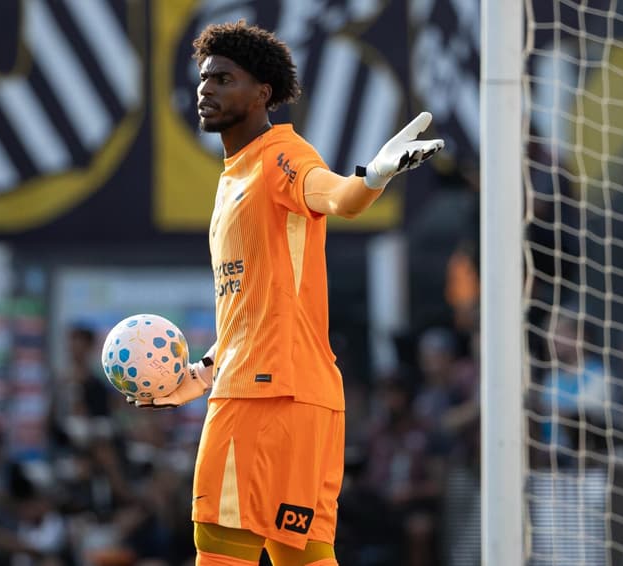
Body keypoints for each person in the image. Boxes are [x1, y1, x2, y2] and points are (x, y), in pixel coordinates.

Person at [129, 20, 444, 565]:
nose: (206, 90)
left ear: (262, 93)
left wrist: (372, 178)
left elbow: (337, 198)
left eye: (223, 79)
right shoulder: (235, 176)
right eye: (204, 79)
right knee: (302, 556)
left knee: (220, 548)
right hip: (306, 399)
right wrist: (199, 375)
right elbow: (249, 312)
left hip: (260, 398)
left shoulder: (279, 158)